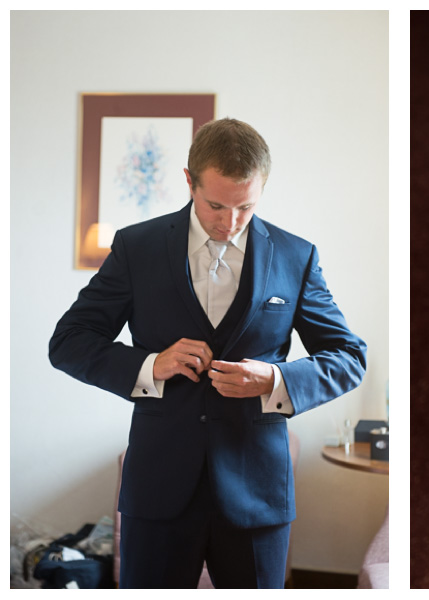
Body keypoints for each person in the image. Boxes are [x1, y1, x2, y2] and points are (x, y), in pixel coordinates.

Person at [49, 118, 367, 588]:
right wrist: (150, 365)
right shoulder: (138, 248)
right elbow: (69, 341)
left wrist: (275, 381)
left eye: (246, 207)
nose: (230, 223)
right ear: (189, 181)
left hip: (257, 495)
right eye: (216, 205)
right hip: (158, 489)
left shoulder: (296, 256)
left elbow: (348, 356)